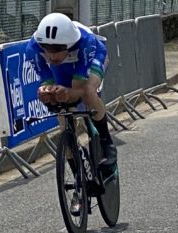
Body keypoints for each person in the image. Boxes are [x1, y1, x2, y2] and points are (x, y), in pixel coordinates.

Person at [25, 12, 117, 169]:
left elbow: (78, 89)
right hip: (63, 66)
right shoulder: (32, 49)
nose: (52, 54)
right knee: (61, 107)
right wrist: (48, 93)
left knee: (87, 92)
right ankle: (76, 169)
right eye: (47, 48)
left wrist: (68, 94)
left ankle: (105, 139)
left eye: (57, 49)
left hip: (94, 56)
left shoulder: (85, 43)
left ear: (68, 44)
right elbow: (49, 82)